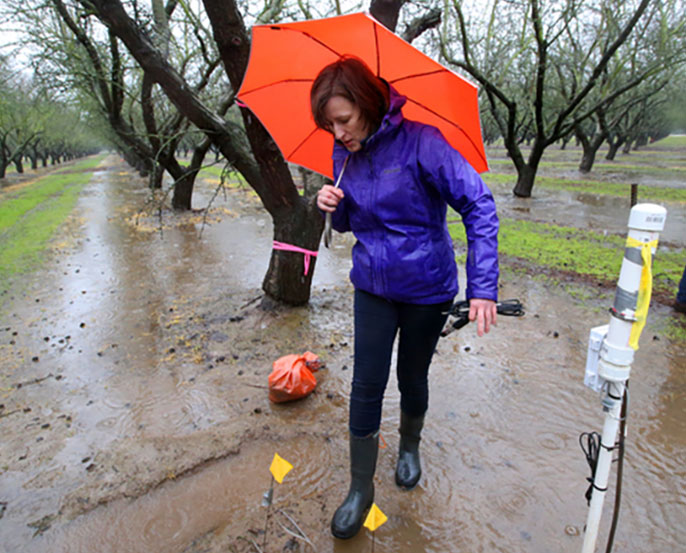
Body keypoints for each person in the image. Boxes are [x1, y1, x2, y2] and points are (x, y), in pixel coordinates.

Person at [312, 57, 499, 540]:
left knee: (411, 375)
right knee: (366, 383)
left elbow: (478, 204)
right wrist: (333, 205)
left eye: (344, 121)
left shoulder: (424, 143)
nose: (337, 133)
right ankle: (360, 489)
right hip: (372, 288)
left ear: (368, 104)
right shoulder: (344, 155)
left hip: (426, 289)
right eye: (329, 124)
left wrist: (483, 287)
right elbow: (352, 222)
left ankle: (410, 447)